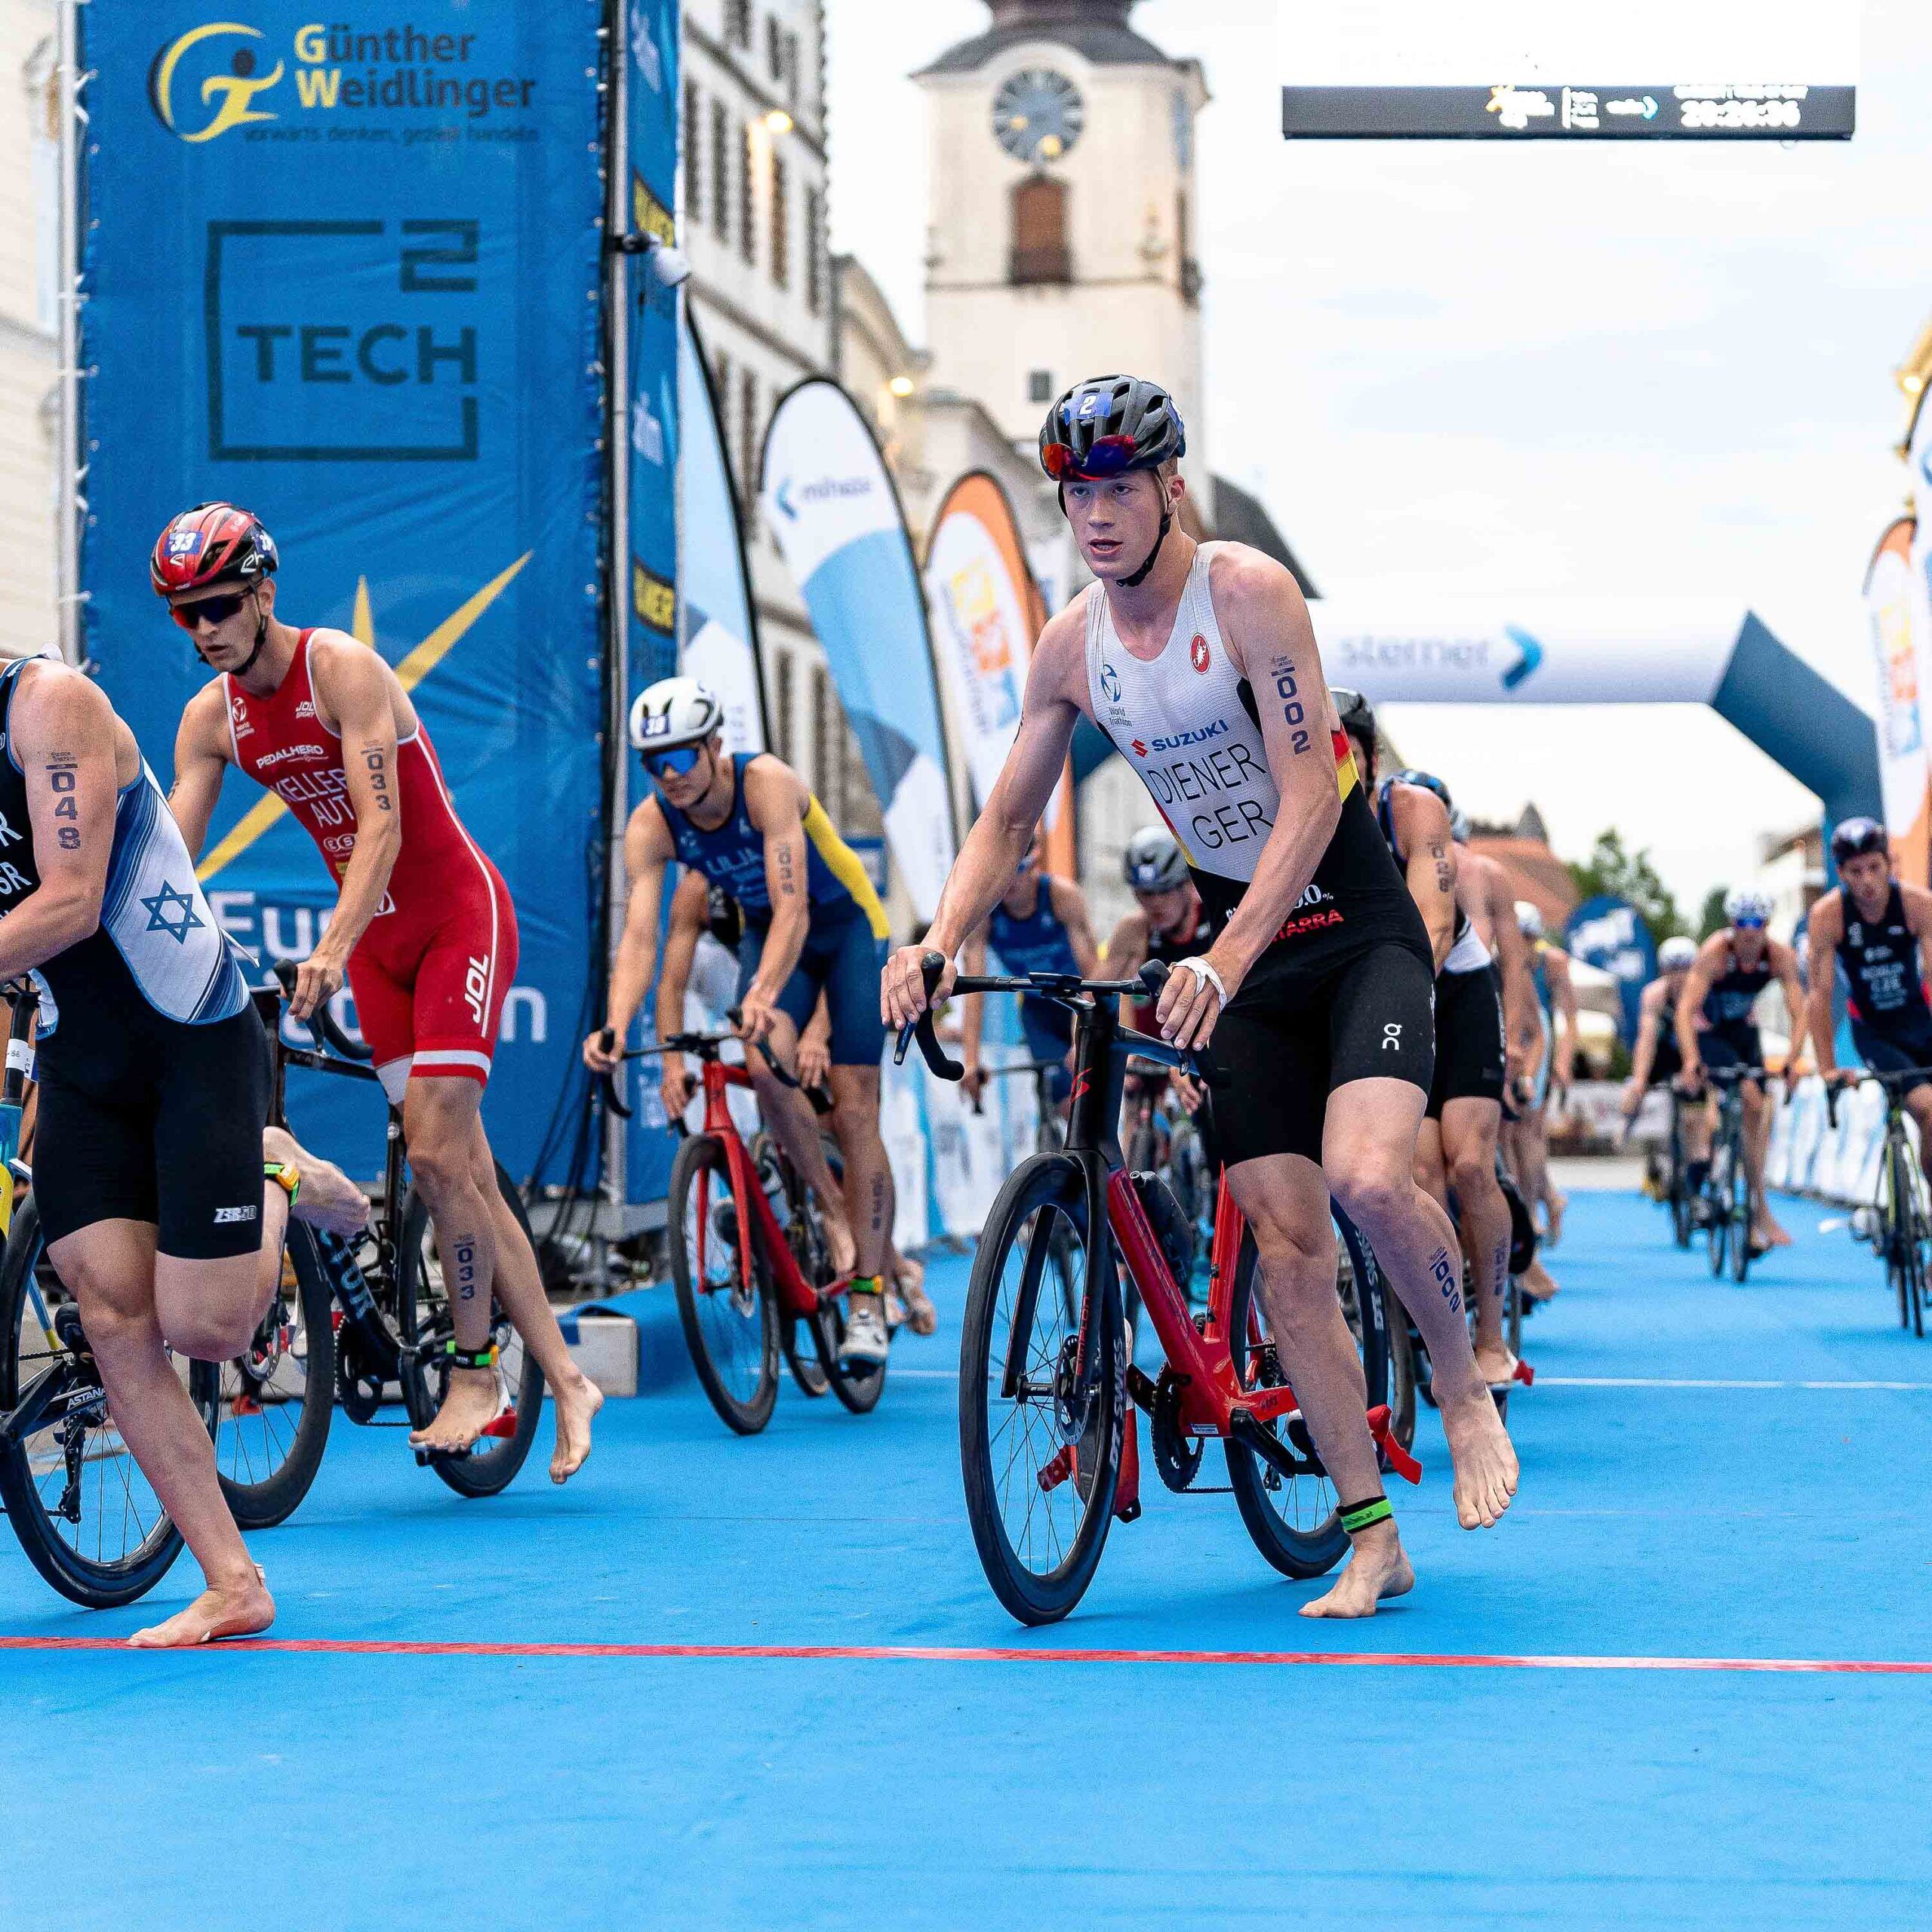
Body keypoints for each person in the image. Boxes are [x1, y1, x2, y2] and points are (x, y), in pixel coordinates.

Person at [883, 372, 1517, 1620]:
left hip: (1350, 925)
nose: (1098, 513)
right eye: (1078, 493)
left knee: (1372, 1179)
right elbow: (1008, 817)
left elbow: (1309, 796)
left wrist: (1224, 959)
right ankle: (1371, 1536)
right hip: (1242, 957)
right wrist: (937, 939)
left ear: (1170, 487)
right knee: (1285, 1256)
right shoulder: (1072, 648)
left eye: (1120, 487)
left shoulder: (1246, 597)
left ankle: (1456, 1373)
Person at [158, 502, 602, 1478]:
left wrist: (329, 943)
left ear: (264, 592)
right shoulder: (211, 721)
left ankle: (479, 1372)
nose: (204, 631)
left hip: (453, 918)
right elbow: (173, 863)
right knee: (467, 1177)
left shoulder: (341, 671)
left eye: (221, 606)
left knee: (440, 1158)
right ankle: (569, 1380)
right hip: (375, 951)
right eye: (184, 615)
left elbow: (384, 827)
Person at [0, 647, 359, 1645]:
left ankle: (275, 1165)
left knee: (209, 1331)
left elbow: (69, 900)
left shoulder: (48, 706)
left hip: (192, 1037)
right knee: (113, 1315)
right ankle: (233, 1580)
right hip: (84, 1056)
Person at [585, 678, 899, 1364]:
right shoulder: (651, 825)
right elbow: (641, 940)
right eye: (654, 763)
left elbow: (797, 908)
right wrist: (615, 1026)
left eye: (681, 758)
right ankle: (831, 1209)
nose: (669, 776)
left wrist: (761, 991)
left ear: (714, 746)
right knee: (762, 1064)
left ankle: (871, 1297)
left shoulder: (766, 784)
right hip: (771, 932)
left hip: (846, 929)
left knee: (854, 1108)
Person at [651, 866, 936, 1337]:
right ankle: (794, 1211)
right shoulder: (697, 895)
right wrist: (672, 1065)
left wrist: (821, 1035)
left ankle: (891, 1267)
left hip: (830, 989)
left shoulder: (780, 868)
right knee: (775, 1100)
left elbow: (831, 954)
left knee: (848, 1128)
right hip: (772, 1009)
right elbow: (671, 983)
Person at [1338, 707, 1517, 1386]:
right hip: (1381, 993)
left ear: (1371, 760)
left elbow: (1434, 930)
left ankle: (1493, 1335)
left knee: (1470, 1163)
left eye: (1345, 751)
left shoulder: (1409, 809)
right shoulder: (1298, 807)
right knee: (1419, 1169)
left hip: (1455, 989)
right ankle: (1434, 1302)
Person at [1675, 887, 1808, 1254]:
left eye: (1758, 923)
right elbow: (1685, 1013)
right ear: (1732, 926)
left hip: (1744, 1033)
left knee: (1757, 1113)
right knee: (1747, 1095)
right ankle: (1743, 1198)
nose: (1750, 932)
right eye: (1742, 924)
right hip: (1710, 1032)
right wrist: (1690, 1061)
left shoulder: (1780, 956)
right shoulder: (1715, 955)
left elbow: (1800, 1012)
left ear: (1767, 925)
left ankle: (1756, 1204)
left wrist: (1794, 1060)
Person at [1807, 817, 1932, 1186]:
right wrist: (1827, 1068)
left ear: (1889, 864)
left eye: (1875, 868)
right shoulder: (1828, 915)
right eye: (1856, 872)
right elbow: (1819, 993)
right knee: (1927, 1108)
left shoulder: (1917, 904)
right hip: (1875, 1031)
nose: (1867, 882)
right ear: (1841, 873)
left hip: (1920, 1022)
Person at [959, 829, 1100, 1110]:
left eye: (1017, 871)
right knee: (1058, 1092)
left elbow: (1094, 976)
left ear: (1034, 865)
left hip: (1078, 1001)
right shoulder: (985, 910)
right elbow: (973, 988)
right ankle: (1057, 1139)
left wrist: (1080, 1031)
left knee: (1086, 1085)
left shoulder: (1062, 897)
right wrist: (970, 1060)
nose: (1008, 883)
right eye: (1001, 873)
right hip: (1039, 1009)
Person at [1503, 902, 1578, 1271]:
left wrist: (1563, 1063)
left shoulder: (1553, 963)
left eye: (1531, 940)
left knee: (1528, 1130)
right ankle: (1546, 1196)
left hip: (1537, 1033)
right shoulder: (1504, 959)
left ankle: (1533, 1207)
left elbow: (1568, 1017)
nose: (1525, 947)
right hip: (1511, 1030)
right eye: (1520, 939)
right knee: (1510, 1131)